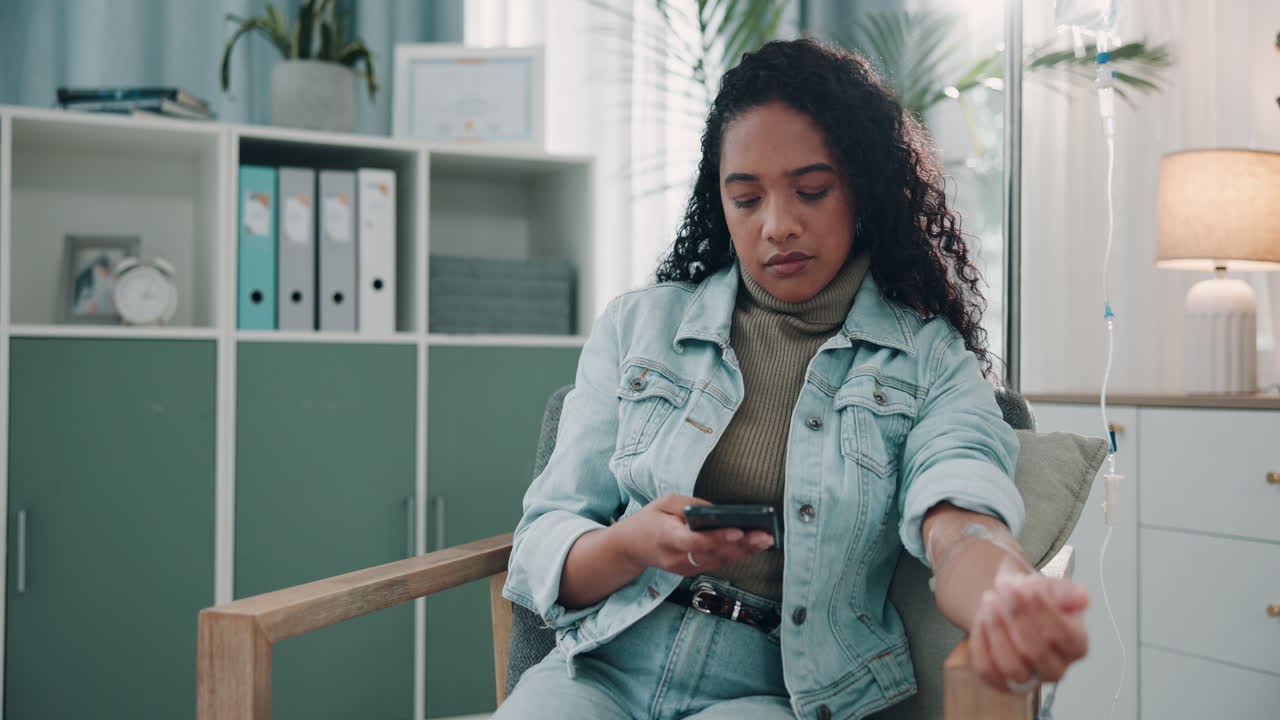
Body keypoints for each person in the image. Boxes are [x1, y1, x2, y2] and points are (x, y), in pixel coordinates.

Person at [497, 38, 1089, 720]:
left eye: (811, 191)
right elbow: (546, 539)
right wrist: (633, 544)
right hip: (601, 666)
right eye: (746, 200)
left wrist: (1004, 595)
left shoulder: (928, 361)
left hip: (772, 690)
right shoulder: (639, 328)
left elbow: (959, 517)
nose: (777, 226)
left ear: (862, 189)